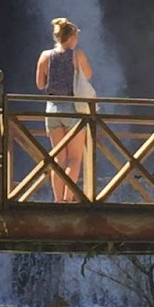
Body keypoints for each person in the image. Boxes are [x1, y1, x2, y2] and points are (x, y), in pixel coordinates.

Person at [35, 17, 94, 203]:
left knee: (58, 159)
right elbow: (88, 75)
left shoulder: (45, 55)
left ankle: (57, 200)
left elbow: (40, 84)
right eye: (76, 37)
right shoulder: (78, 55)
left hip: (51, 109)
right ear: (71, 38)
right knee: (75, 158)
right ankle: (68, 200)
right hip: (73, 109)